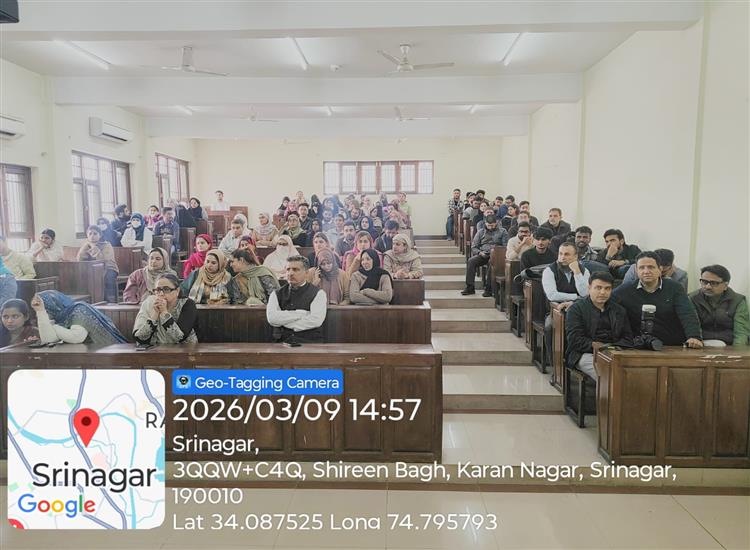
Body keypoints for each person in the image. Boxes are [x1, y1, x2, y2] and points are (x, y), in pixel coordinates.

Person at [613, 251, 703, 347]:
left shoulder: (674, 288)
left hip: (672, 345)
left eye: (651, 267)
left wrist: (694, 336)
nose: (646, 271)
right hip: (639, 345)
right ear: (636, 270)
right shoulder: (625, 290)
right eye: (642, 268)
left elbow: (687, 313)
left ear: (660, 269)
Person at [565, 272, 634, 378]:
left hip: (614, 352)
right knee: (607, 373)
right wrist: (596, 346)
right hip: (584, 354)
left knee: (633, 371)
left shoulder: (619, 310)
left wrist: (612, 348)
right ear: (589, 288)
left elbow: (628, 338)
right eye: (598, 288)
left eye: (607, 288)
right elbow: (574, 339)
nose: (602, 292)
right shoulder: (576, 309)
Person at [542, 242, 591, 364]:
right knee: (549, 327)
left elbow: (585, 293)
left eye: (567, 254)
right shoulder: (549, 270)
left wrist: (577, 272)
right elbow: (552, 295)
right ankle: (555, 364)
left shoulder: (584, 271)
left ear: (576, 257)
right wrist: (576, 297)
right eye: (560, 254)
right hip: (556, 311)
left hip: (580, 311)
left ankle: (574, 361)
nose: (562, 257)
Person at [266, 255, 327, 343]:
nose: (290, 273)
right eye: (288, 269)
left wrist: (284, 323)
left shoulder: (318, 293)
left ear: (306, 273)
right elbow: (272, 318)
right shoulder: (276, 293)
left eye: (295, 269)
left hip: (309, 342)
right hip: (282, 342)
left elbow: (316, 320)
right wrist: (301, 314)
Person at [31, 290, 127, 345]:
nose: (47, 313)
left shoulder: (79, 309)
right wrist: (40, 311)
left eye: (46, 310)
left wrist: (53, 327)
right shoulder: (61, 317)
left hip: (110, 349)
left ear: (52, 306)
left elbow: (77, 337)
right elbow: (48, 339)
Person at [690, 264, 749, 346]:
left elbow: (741, 332)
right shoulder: (693, 298)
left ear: (725, 286)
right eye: (704, 282)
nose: (707, 287)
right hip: (701, 344)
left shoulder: (738, 301)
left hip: (728, 346)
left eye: (714, 283)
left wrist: (736, 351)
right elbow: (692, 327)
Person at [133, 273, 198, 345]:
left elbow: (179, 337)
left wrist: (164, 313)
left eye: (166, 289)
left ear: (177, 290)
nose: (161, 294)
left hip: (184, 349)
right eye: (158, 290)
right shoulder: (148, 303)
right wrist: (154, 315)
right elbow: (139, 337)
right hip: (154, 349)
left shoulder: (188, 304)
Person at [461, 214, 508, 296]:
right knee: (471, 261)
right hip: (484, 254)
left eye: (492, 225)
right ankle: (470, 287)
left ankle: (488, 289)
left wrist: (496, 250)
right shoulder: (480, 232)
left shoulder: (503, 231)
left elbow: (505, 246)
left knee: (491, 262)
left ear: (496, 223)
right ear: (485, 223)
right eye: (488, 225)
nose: (490, 227)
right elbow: (474, 247)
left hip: (497, 255)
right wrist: (480, 252)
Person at [77, 225, 119, 303]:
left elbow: (104, 260)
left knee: (107, 277)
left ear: (100, 235)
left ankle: (110, 300)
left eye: (95, 234)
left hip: (109, 268)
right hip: (92, 269)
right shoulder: (86, 245)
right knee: (82, 276)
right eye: (90, 234)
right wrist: (86, 246)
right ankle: (93, 300)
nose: (92, 236)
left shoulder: (106, 245)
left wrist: (94, 247)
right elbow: (79, 259)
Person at [621, 248, 688, 290]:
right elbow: (625, 290)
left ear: (671, 267)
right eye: (652, 268)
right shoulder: (635, 269)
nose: (659, 273)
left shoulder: (681, 275)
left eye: (663, 272)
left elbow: (680, 298)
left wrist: (667, 281)